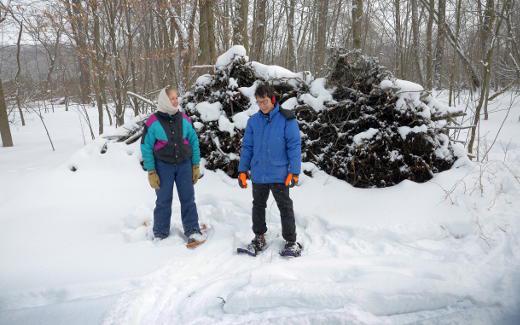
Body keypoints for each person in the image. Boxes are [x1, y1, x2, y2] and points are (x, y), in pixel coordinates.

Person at [237, 83, 303, 257]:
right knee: (258, 206)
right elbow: (248, 147)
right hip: (259, 173)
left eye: (265, 101)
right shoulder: (253, 122)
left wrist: (294, 171)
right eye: (259, 102)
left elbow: (294, 146)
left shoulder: (286, 119)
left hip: (279, 173)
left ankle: (291, 241)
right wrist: (242, 170)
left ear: (273, 99)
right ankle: (259, 238)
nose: (262, 105)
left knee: (285, 206)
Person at [141, 86, 204, 247]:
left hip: (184, 164)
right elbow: (146, 147)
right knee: (163, 200)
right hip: (163, 166)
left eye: (177, 97)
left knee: (188, 198)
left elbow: (194, 141)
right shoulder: (152, 122)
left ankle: (193, 230)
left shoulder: (184, 119)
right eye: (172, 98)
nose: (176, 101)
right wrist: (151, 171)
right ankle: (160, 233)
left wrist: (195, 165)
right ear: (164, 100)